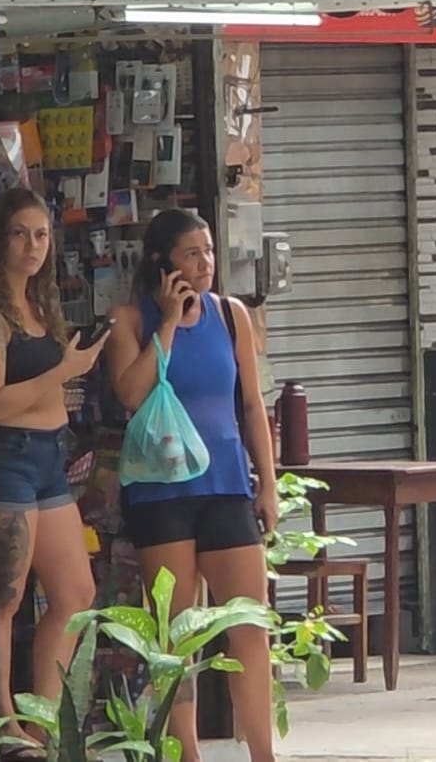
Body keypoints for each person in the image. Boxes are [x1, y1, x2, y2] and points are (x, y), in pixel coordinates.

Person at [103, 209, 279, 762]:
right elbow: (132, 395)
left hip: (225, 485)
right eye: (192, 254)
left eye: (208, 252)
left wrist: (268, 484)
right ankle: (188, 754)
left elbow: (251, 406)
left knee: (248, 624)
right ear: (162, 262)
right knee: (176, 637)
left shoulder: (232, 316)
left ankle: (263, 753)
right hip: (161, 493)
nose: (205, 263)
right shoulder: (129, 320)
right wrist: (170, 326)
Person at [0, 188, 102, 760]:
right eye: (20, 234)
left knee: (76, 592)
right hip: (9, 457)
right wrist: (67, 371)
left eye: (42, 235)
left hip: (52, 455)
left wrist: (67, 376)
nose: (33, 246)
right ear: (0, 239)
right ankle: (4, 723)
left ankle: (41, 720)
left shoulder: (41, 303)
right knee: (5, 599)